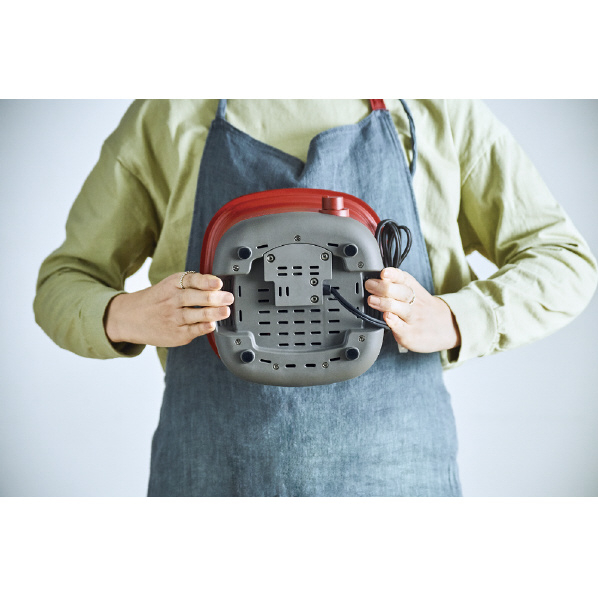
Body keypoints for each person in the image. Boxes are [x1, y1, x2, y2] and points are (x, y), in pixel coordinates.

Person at [34, 99, 597, 497]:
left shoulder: (435, 112)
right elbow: (65, 280)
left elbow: (565, 259)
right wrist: (125, 314)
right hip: (209, 479)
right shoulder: (169, 113)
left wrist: (456, 318)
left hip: (397, 483)